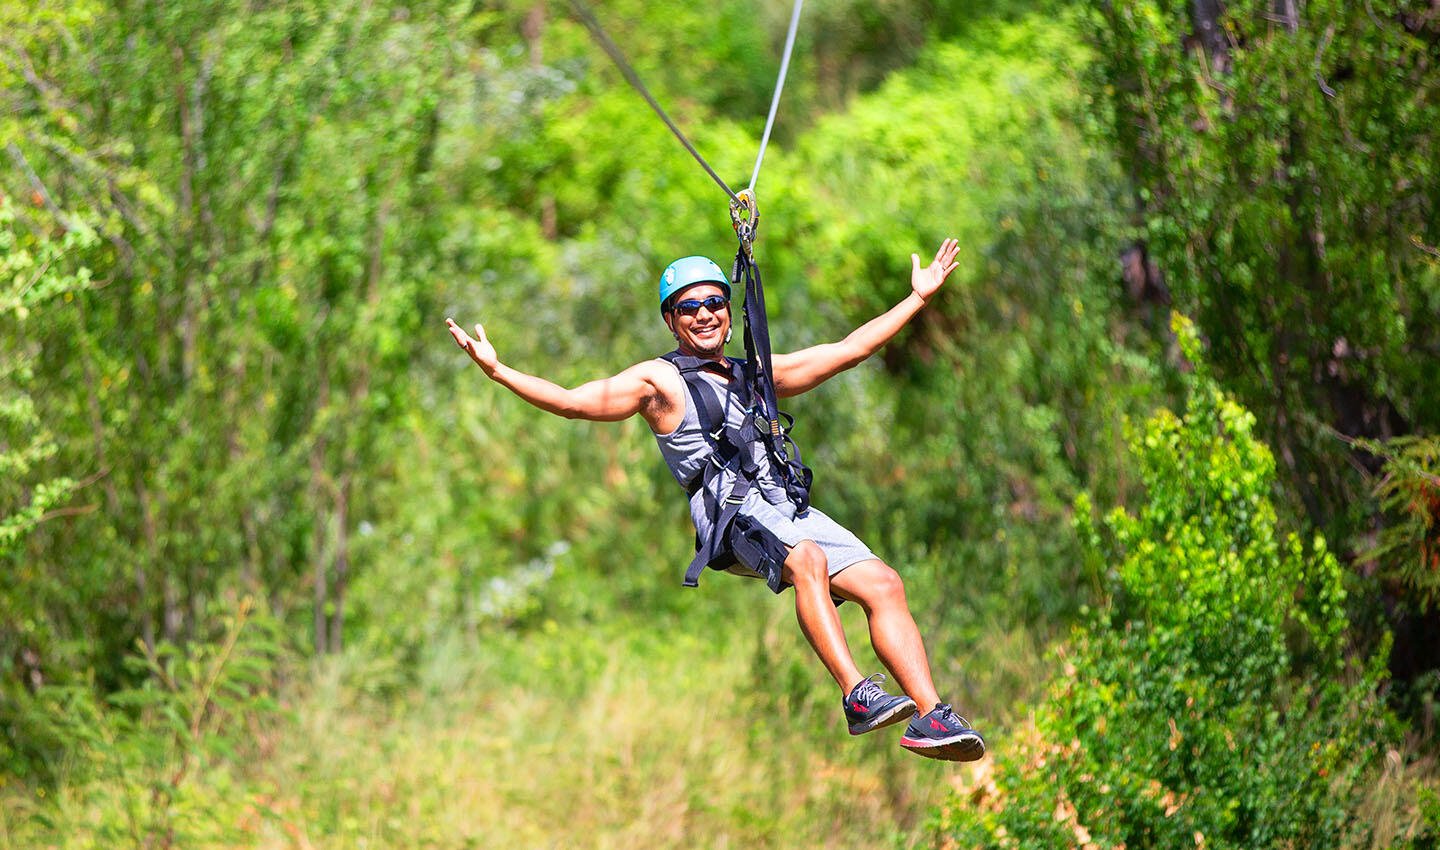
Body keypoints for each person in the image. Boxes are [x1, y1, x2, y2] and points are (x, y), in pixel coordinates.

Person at [445, 239, 984, 761]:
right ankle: (855, 695)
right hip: (731, 513)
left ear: (728, 312)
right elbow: (573, 402)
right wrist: (499, 371)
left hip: (784, 505)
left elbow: (847, 352)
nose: (703, 315)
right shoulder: (659, 381)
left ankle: (930, 716)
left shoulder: (755, 373)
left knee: (884, 583)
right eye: (688, 307)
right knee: (807, 560)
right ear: (670, 320)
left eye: (713, 303)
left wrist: (917, 298)